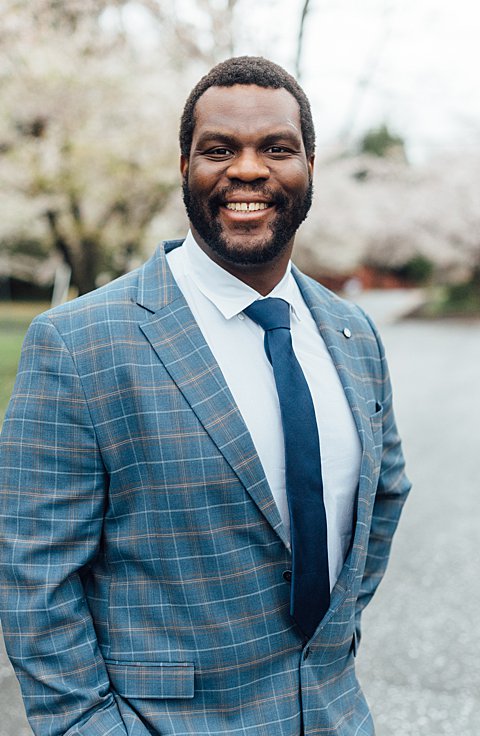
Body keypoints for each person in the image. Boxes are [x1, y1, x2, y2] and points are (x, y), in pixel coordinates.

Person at [0, 56, 411, 735]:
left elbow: (386, 493)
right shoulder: (78, 345)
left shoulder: (352, 330)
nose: (247, 170)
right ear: (183, 167)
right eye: (218, 150)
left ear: (310, 165)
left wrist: (327, 647)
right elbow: (33, 583)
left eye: (276, 148)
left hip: (337, 715)